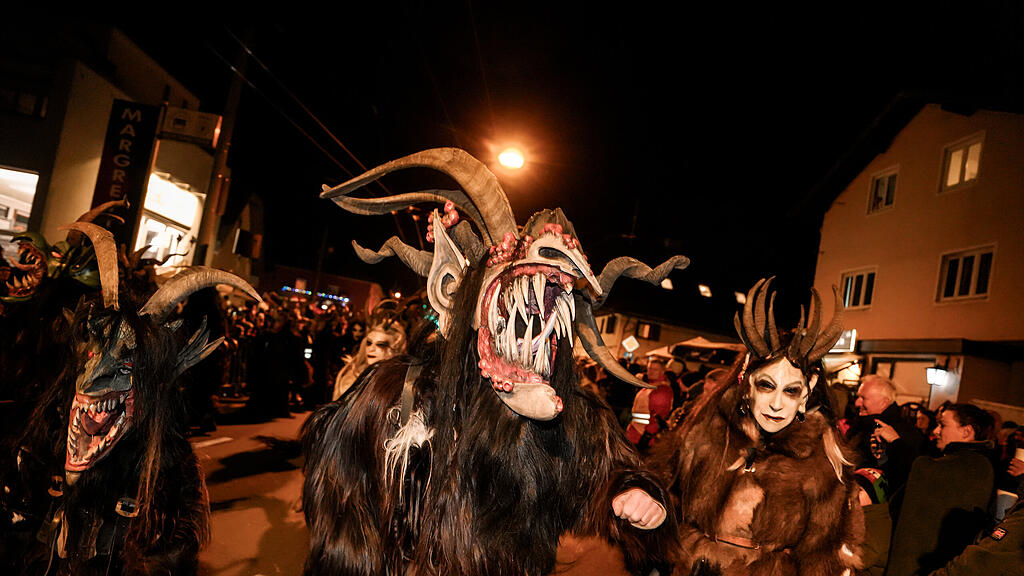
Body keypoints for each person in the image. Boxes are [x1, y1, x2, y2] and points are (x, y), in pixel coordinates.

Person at [651, 278, 863, 575]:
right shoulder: (706, 435)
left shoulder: (823, 464)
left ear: (807, 391)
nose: (776, 404)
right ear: (747, 381)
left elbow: (824, 558)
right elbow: (661, 493)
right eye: (767, 385)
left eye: (791, 391)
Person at [886, 402, 997, 576]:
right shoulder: (978, 464)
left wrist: (896, 444)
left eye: (943, 425)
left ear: (966, 431)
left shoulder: (963, 467)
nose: (936, 431)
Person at [849, 374, 926, 520]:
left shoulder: (905, 434)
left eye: (863, 398)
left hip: (879, 515)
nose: (857, 403)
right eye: (858, 397)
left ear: (884, 402)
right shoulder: (860, 426)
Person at [331, 301, 408, 400]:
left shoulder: (401, 382)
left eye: (380, 345)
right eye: (369, 343)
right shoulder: (351, 376)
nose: (371, 349)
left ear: (394, 348)